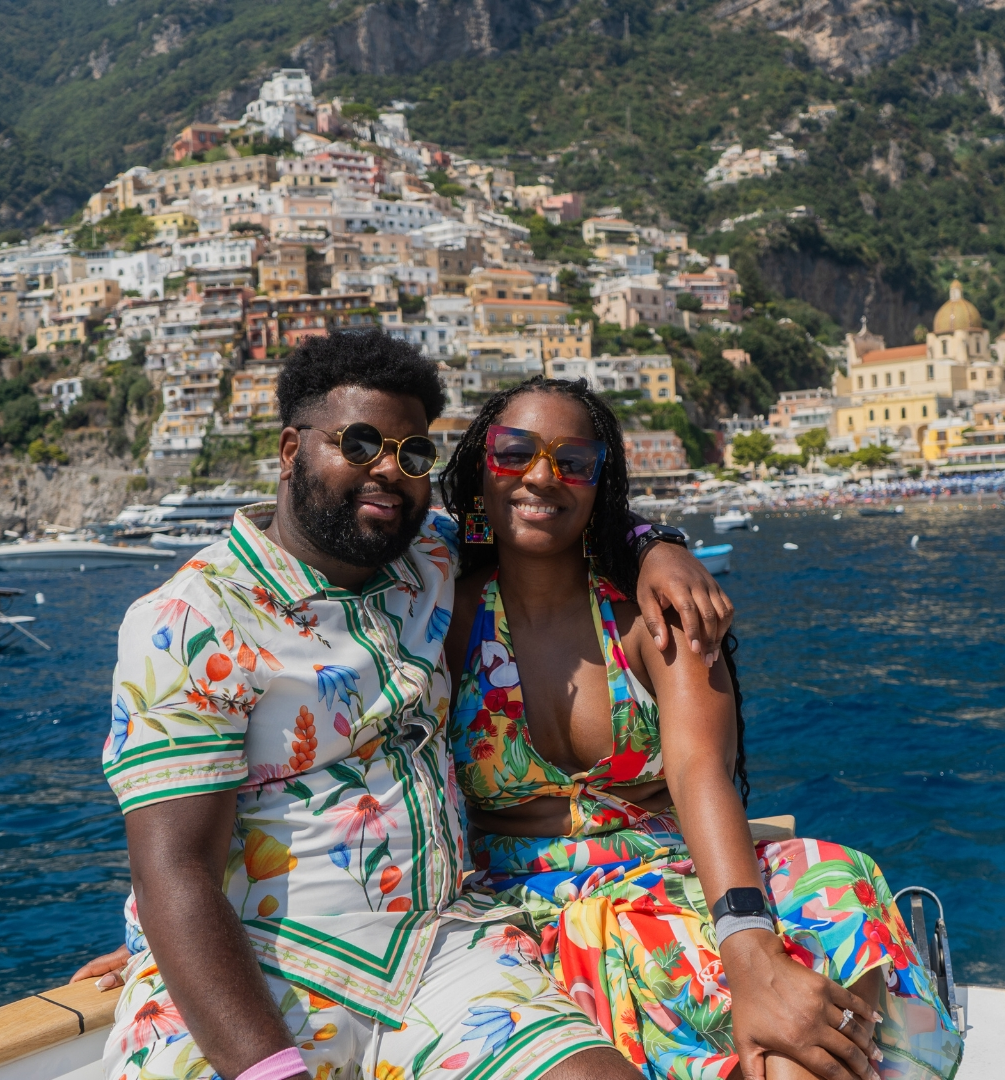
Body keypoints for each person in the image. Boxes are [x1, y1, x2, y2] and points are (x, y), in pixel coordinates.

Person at [90, 333, 732, 1080]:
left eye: (413, 453)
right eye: (359, 443)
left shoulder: (424, 555)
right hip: (268, 960)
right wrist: (178, 945)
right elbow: (174, 868)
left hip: (444, 949)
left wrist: (656, 546)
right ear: (290, 448)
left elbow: (545, 511)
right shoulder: (191, 619)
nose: (389, 470)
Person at [437, 378, 963, 1080]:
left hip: (672, 872)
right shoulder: (440, 617)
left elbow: (698, 770)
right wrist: (657, 541)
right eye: (514, 453)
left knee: (835, 880)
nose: (542, 476)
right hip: (522, 900)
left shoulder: (654, 615)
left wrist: (748, 945)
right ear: (481, 471)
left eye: (574, 462)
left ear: (601, 485)